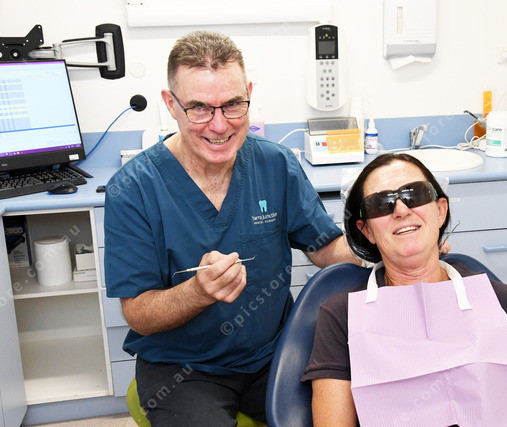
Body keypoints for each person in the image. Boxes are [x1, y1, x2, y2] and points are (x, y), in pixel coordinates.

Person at [104, 30, 357, 425]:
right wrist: (197, 292)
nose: (220, 125)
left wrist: (377, 246)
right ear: (170, 104)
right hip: (183, 367)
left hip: (275, 353)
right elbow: (138, 313)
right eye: (199, 108)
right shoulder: (134, 188)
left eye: (233, 105)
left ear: (249, 94)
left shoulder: (276, 165)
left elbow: (324, 247)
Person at [302, 153, 507, 426]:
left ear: (440, 210)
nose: (401, 210)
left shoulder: (502, 301)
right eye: (381, 203)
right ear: (367, 231)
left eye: (414, 195)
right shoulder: (341, 317)